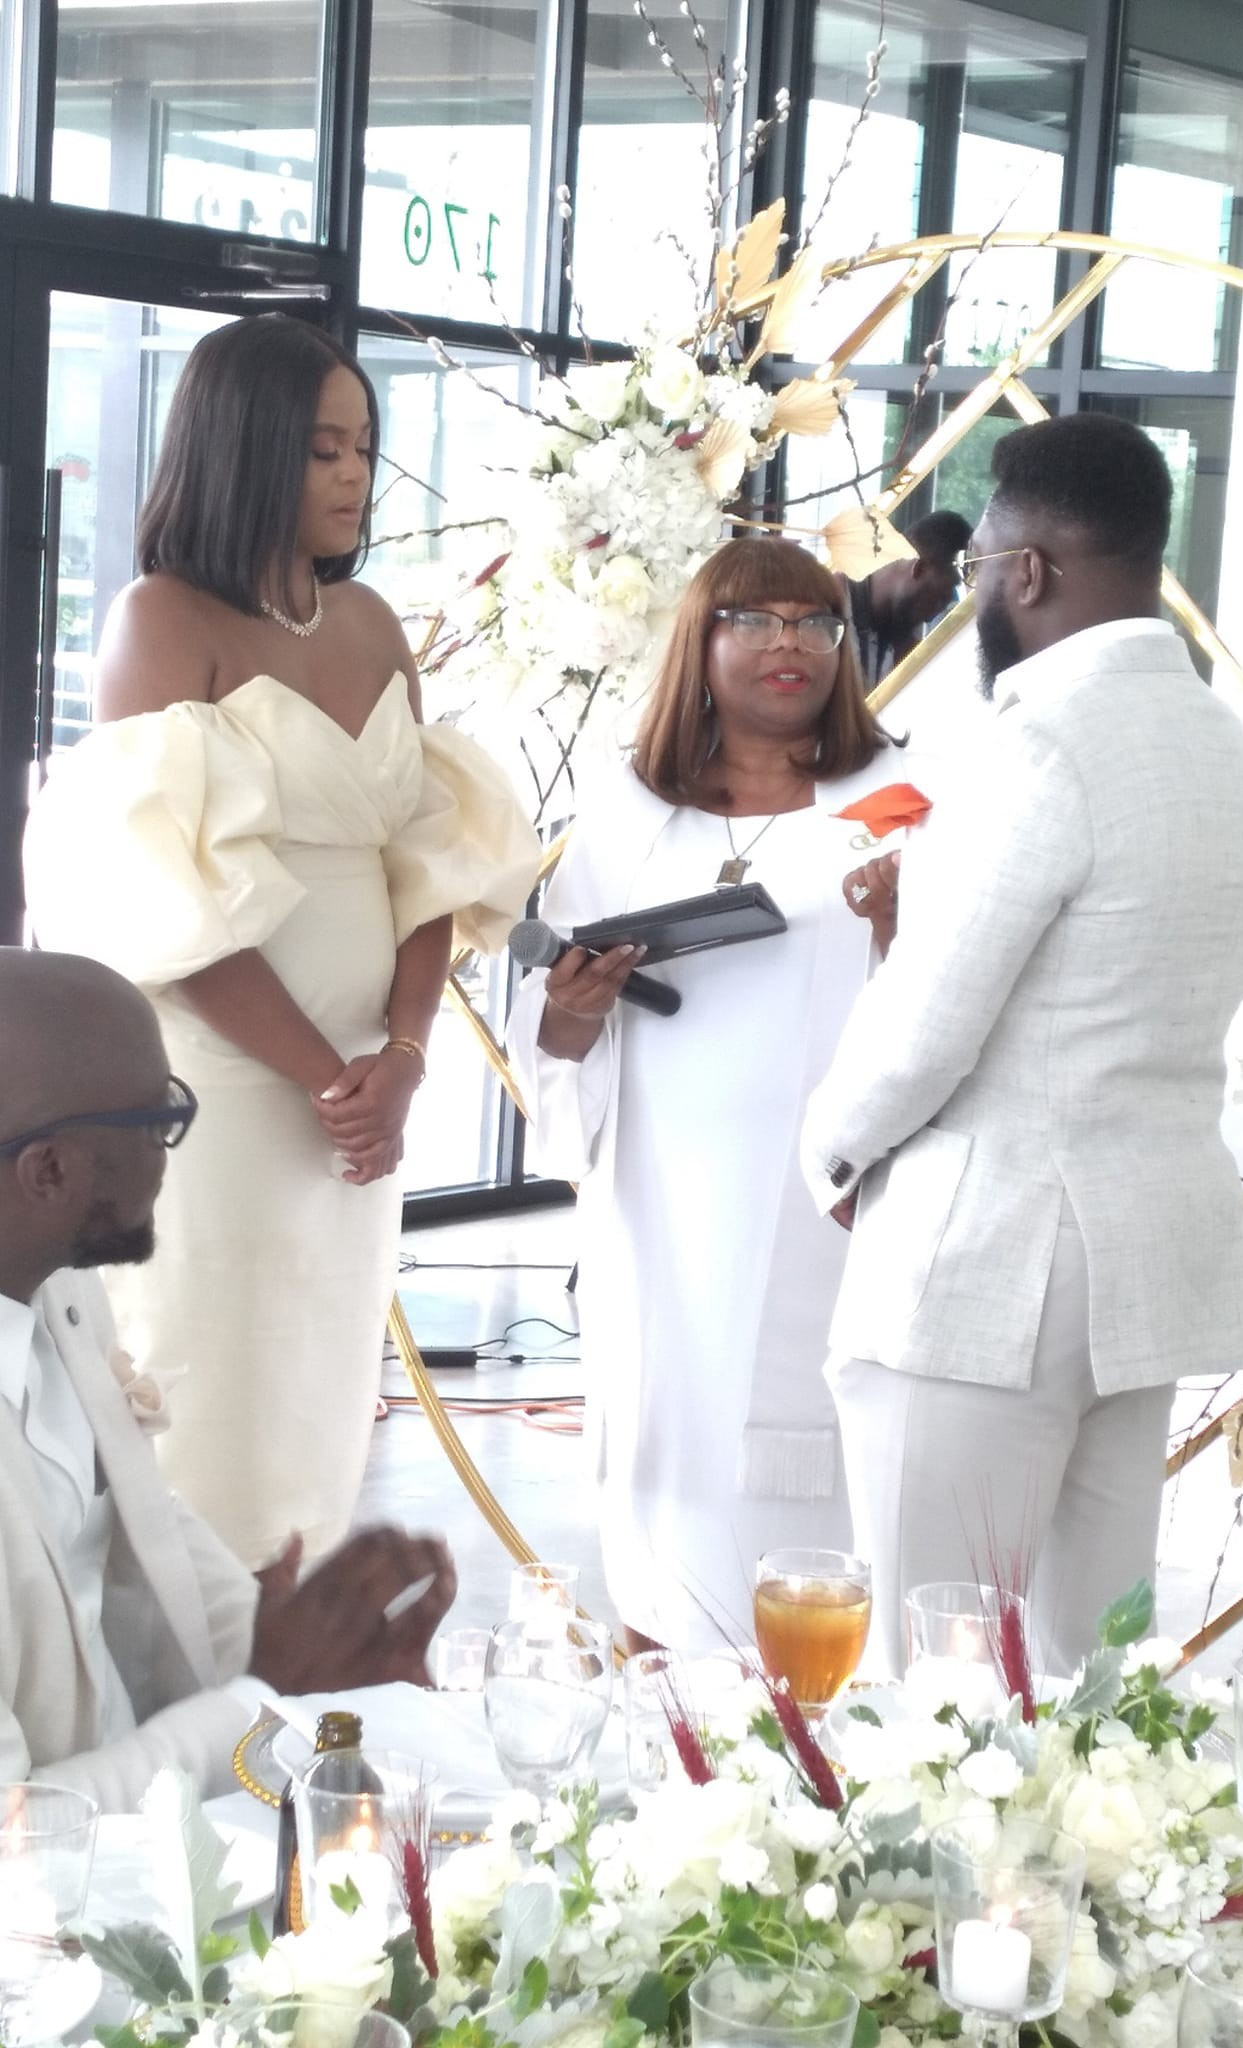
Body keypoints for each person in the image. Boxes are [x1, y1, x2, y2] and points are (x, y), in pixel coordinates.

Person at [24, 314, 540, 1570]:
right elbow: (165, 899)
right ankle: (192, 1659)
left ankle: (295, 1653)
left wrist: (402, 1057)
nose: (354, 474)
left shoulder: (370, 621)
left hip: (364, 1092)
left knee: (318, 1386)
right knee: (209, 1390)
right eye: (323, 449)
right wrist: (328, 1077)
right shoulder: (161, 619)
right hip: (227, 1091)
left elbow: (426, 862)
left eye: (364, 445)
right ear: (246, 447)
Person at [801, 414, 1243, 1677]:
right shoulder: (1228, 748)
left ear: (1027, 569)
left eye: (977, 570)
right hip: (1143, 1259)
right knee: (1086, 1672)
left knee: (930, 1676)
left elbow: (929, 1022)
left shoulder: (1039, 743)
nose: (973, 598)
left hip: (992, 1261)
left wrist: (834, 1153)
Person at [505, 537, 910, 1654]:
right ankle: (664, 1680)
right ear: (701, 641)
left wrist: (896, 927)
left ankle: (813, 1689)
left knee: (806, 1472)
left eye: (816, 623)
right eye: (758, 621)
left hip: (824, 1195)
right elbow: (554, 1018)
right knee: (672, 1458)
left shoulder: (898, 800)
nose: (792, 644)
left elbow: (953, 991)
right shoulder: (631, 810)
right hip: (662, 1197)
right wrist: (574, 1005)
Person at [0, 948, 457, 1809]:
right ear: (49, 1170)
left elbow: (129, 1519)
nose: (170, 1150)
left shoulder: (54, 1285)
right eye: (159, 1118)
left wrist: (293, 1639)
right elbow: (17, 1830)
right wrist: (268, 1695)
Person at [841, 509, 972, 687]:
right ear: (920, 569)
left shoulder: (902, 644)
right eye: (938, 600)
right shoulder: (825, 607)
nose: (929, 618)